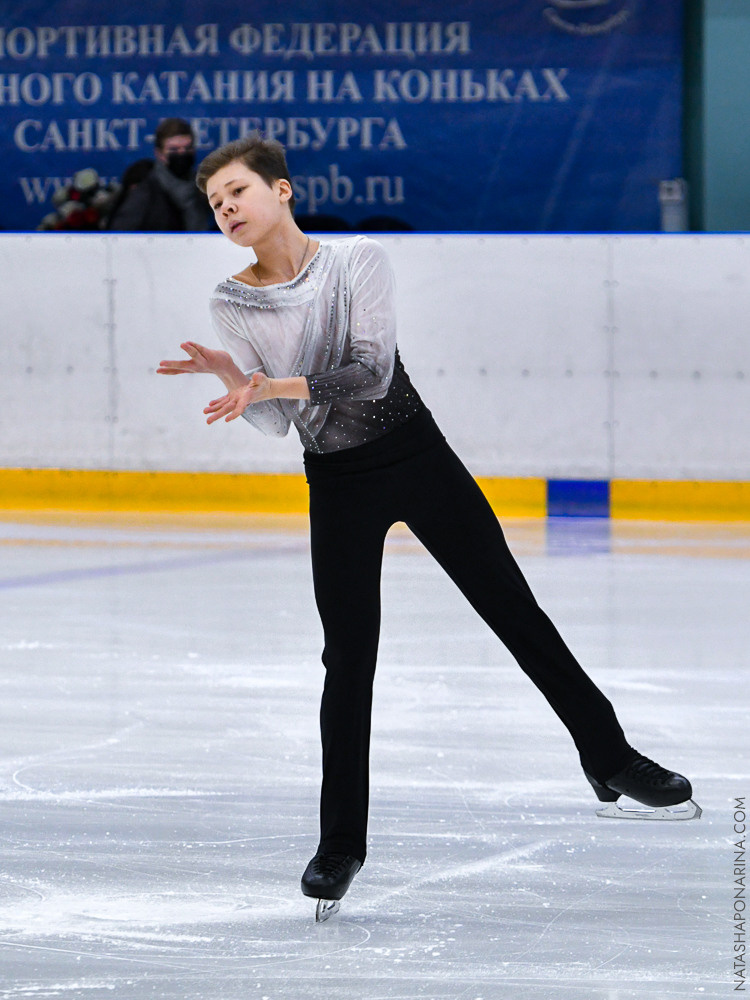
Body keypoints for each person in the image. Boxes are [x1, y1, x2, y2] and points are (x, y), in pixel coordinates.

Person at [157, 135, 699, 921]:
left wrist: (271, 383)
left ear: (282, 190)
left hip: (418, 459)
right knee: (348, 660)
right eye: (215, 204)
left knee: (514, 611)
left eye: (238, 191)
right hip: (336, 484)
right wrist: (237, 380)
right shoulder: (231, 302)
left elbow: (372, 373)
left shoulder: (357, 263)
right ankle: (339, 845)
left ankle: (610, 756)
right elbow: (276, 422)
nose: (226, 209)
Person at [107, 119, 211, 232]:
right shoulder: (144, 191)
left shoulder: (203, 189)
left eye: (187, 148)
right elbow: (120, 234)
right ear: (159, 154)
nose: (182, 153)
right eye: (174, 149)